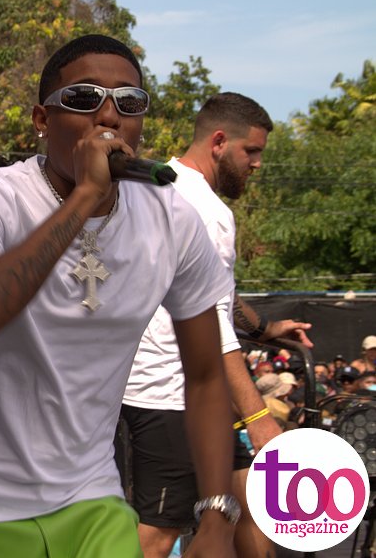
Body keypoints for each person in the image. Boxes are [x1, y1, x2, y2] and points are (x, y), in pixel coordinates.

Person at [0, 35, 239, 558]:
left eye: (129, 101)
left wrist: (216, 514)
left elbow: (205, 374)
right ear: (42, 119)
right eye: (84, 98)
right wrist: (85, 196)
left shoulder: (173, 218)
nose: (109, 116)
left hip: (89, 496)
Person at [120, 92, 313, 557]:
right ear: (220, 142)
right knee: (159, 535)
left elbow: (215, 296)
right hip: (170, 398)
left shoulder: (160, 187)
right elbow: (215, 330)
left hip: (179, 395)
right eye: (252, 151)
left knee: (245, 511)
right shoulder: (206, 211)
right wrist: (259, 418)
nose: (257, 164)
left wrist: (266, 328)